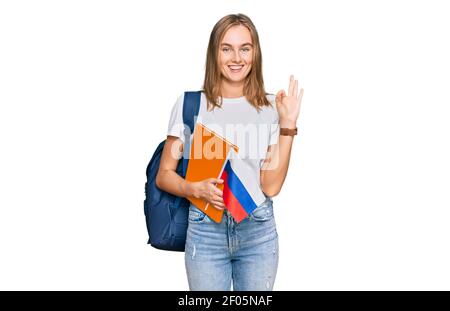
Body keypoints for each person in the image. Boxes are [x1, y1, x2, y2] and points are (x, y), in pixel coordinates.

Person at [155, 13, 303, 291]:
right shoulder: (190, 104)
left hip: (257, 230)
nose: (237, 58)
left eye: (244, 48)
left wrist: (288, 125)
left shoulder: (273, 107)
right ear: (214, 53)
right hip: (204, 231)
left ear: (255, 53)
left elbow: (270, 186)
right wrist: (193, 188)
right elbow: (164, 175)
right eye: (227, 48)